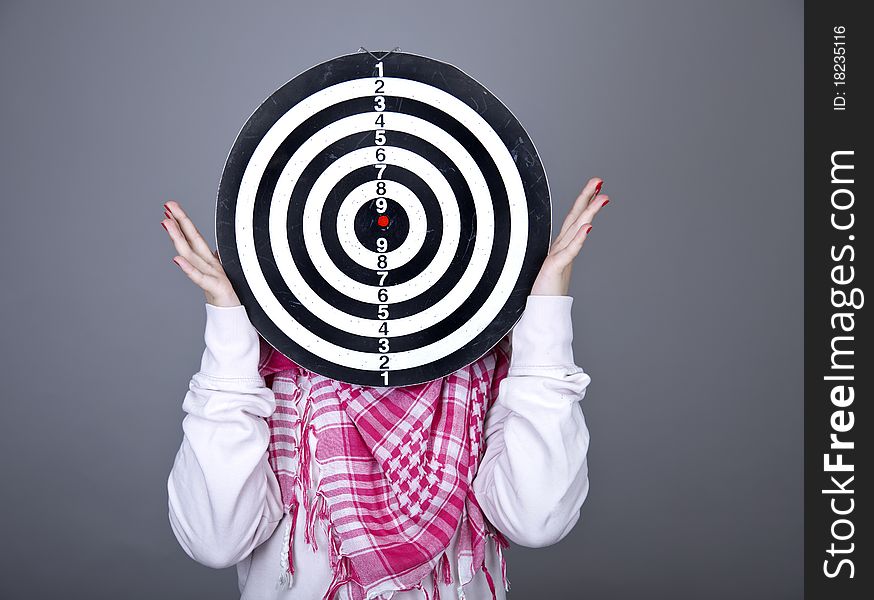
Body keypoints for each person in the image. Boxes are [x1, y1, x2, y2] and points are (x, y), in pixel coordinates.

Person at [162, 178, 609, 600]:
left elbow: (538, 519)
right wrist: (228, 331)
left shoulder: (483, 367)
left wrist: (546, 316)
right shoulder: (270, 368)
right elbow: (215, 540)